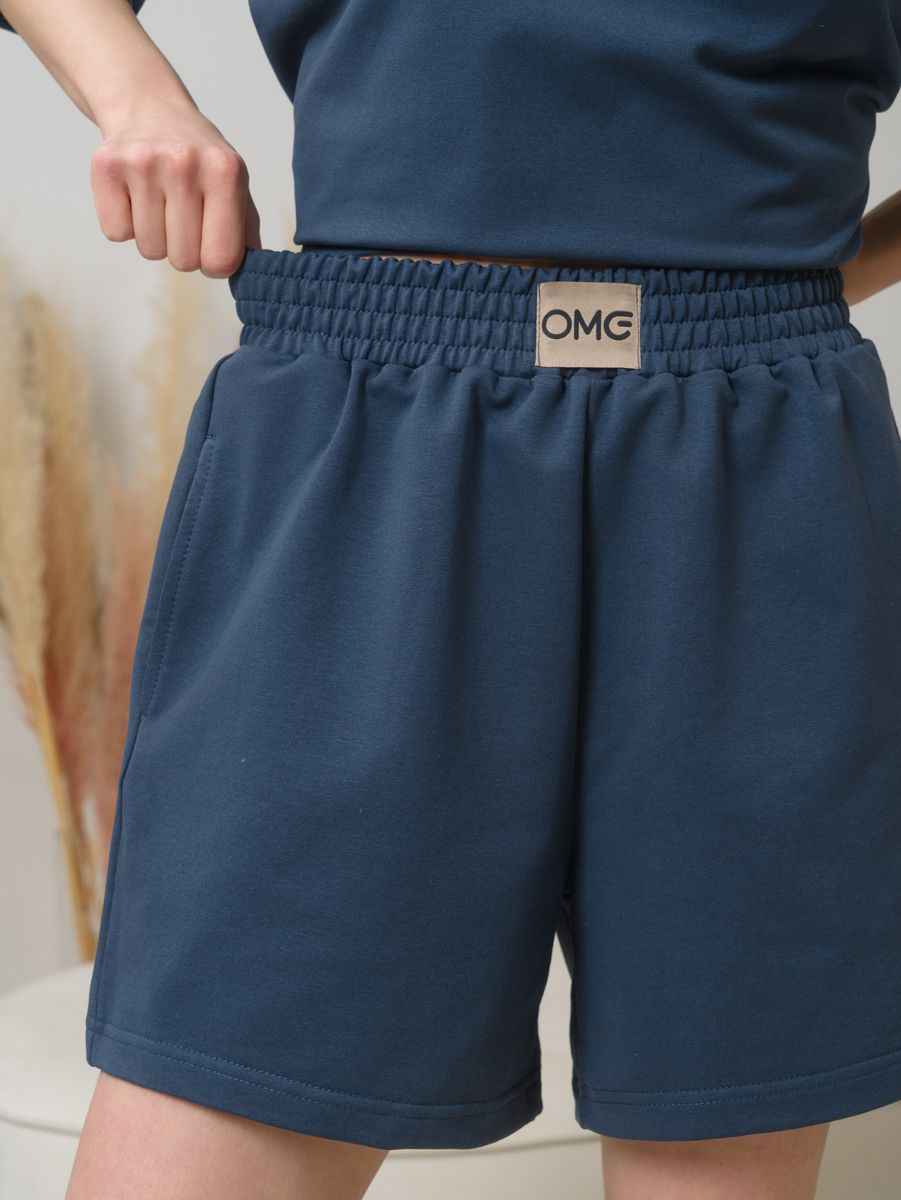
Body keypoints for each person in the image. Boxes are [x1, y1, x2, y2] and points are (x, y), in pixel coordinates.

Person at [2, 2, 901, 1198]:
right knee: (215, 1101)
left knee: (718, 1138)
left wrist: (786, 293)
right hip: (377, 436)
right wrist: (138, 96)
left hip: (753, 456)